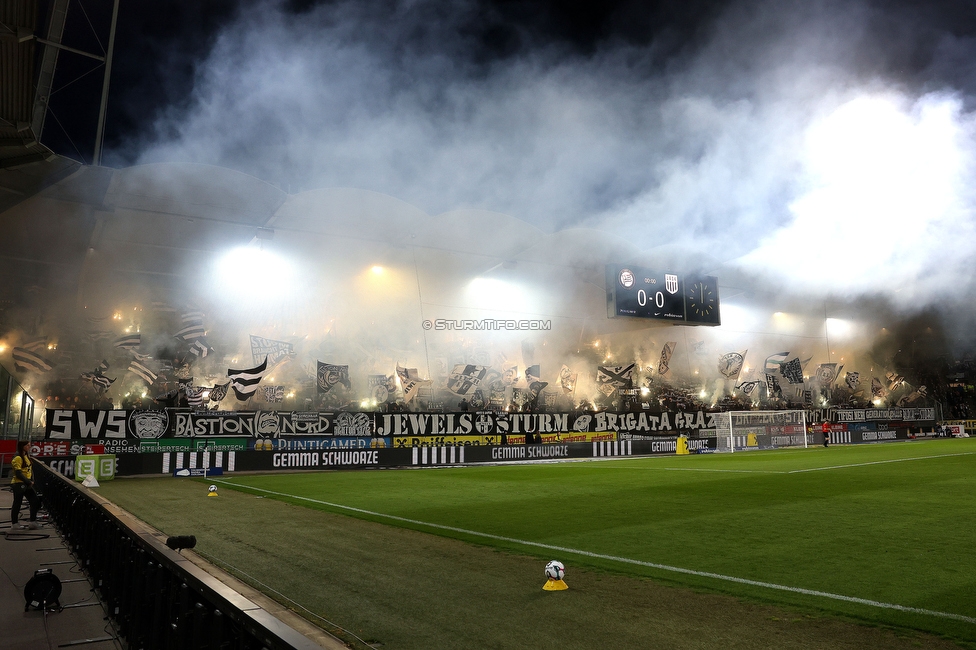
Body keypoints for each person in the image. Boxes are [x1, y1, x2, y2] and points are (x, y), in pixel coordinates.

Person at [10, 440, 41, 529]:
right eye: (27, 445)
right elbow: (18, 473)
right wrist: (28, 481)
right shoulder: (18, 458)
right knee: (17, 503)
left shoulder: (26, 456)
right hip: (18, 484)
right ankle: (15, 524)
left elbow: (29, 470)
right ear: (22, 446)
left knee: (34, 500)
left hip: (26, 483)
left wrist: (31, 480)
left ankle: (32, 522)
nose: (29, 447)